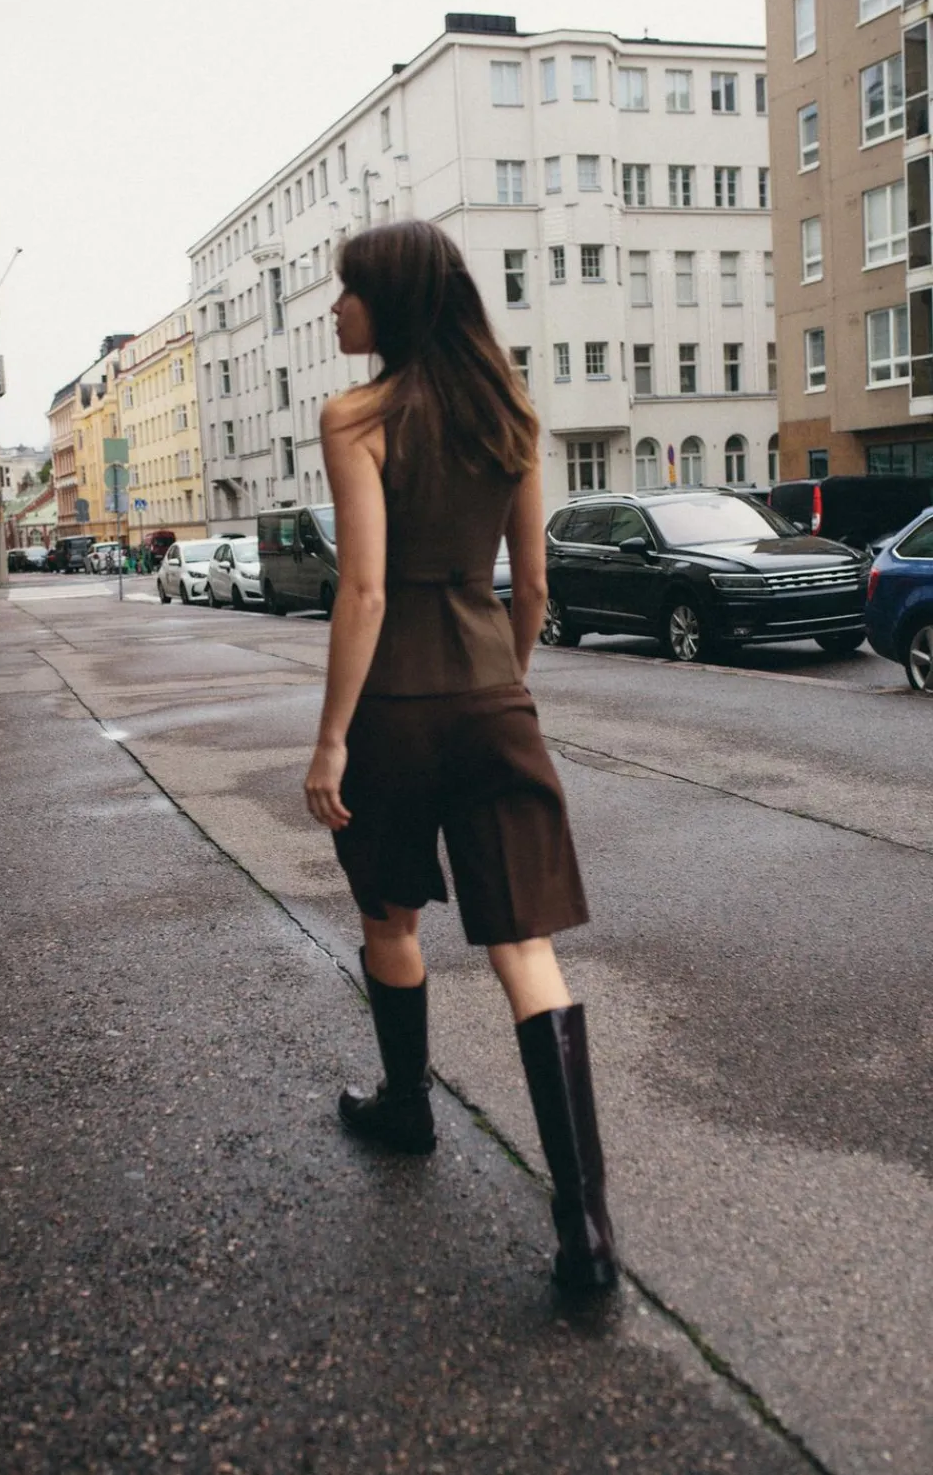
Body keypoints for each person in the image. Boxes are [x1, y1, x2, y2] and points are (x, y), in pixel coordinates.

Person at [303, 220, 617, 1299]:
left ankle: (408, 1107)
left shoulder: (355, 417)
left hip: (393, 708)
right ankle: (584, 1226)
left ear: (389, 301)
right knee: (525, 947)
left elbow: (364, 591)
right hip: (493, 701)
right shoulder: (509, 411)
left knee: (390, 916)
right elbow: (534, 584)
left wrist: (331, 737)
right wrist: (501, 681)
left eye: (348, 291)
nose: (336, 309)